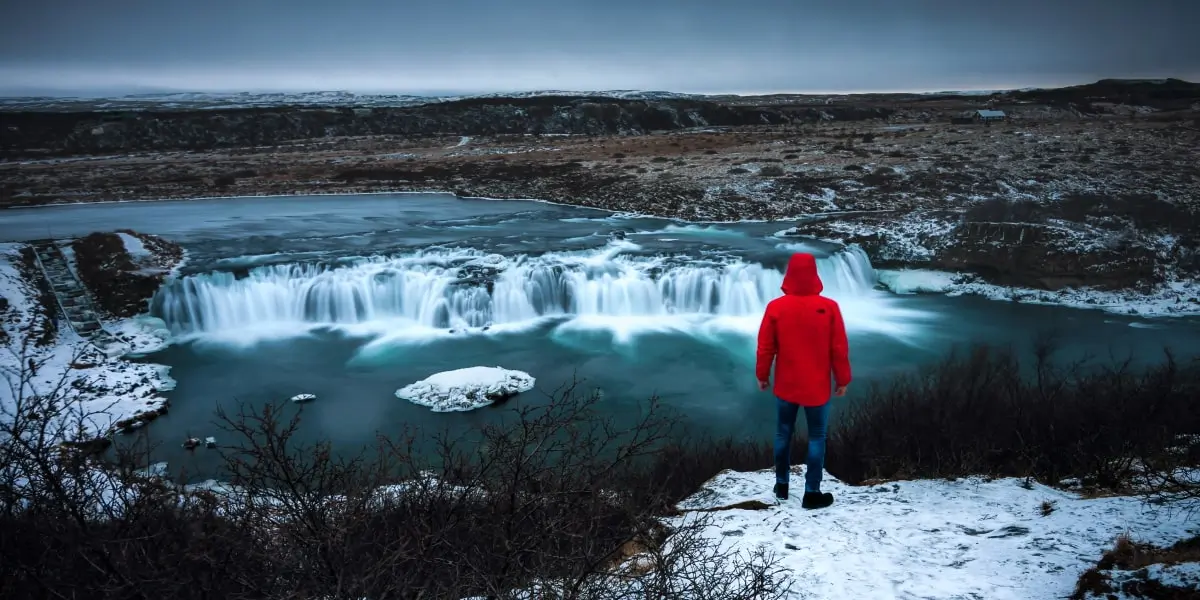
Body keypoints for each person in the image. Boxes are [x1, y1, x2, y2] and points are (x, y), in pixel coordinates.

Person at [755, 252, 852, 508]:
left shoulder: (776, 307)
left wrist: (762, 375)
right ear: (815, 275)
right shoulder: (829, 307)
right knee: (817, 436)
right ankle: (811, 492)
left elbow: (766, 347)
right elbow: (838, 349)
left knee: (782, 433)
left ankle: (782, 486)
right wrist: (842, 379)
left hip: (786, 384)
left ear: (789, 275)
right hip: (817, 387)